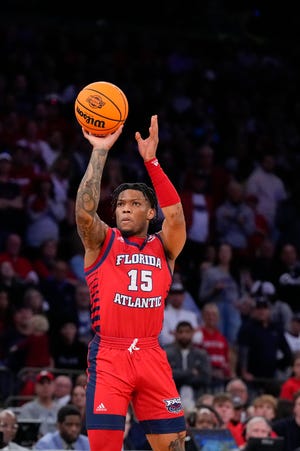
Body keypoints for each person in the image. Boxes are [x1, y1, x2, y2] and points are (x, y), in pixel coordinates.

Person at [75, 115, 187, 451]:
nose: (125, 209)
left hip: (151, 354)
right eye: (121, 204)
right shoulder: (102, 242)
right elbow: (83, 212)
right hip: (110, 355)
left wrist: (151, 161)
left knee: (174, 447)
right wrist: (99, 151)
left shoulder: (164, 247)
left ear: (151, 212)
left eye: (135, 204)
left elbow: (177, 215)